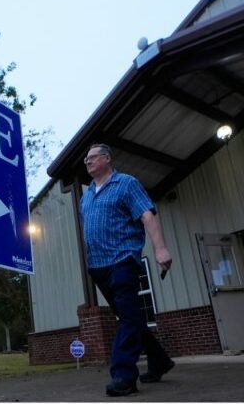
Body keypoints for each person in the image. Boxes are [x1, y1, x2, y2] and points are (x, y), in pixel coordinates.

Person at [79, 143, 175, 397]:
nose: (87, 162)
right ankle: (160, 360)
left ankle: (123, 375)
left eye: (92, 157)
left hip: (122, 260)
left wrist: (160, 249)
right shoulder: (86, 194)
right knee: (129, 316)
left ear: (107, 159)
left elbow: (147, 215)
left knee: (129, 318)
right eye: (85, 159)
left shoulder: (126, 183)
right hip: (98, 266)